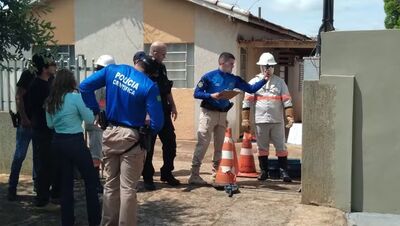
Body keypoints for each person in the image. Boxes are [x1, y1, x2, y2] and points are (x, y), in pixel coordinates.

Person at [79, 55, 164, 226]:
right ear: (150, 73)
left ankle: (108, 223)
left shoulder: (112, 70)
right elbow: (158, 122)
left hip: (110, 133)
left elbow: (84, 86)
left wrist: (96, 110)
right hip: (132, 137)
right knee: (127, 188)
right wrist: (149, 131)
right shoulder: (149, 86)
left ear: (136, 63)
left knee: (110, 184)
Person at [188, 52, 269, 185]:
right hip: (208, 113)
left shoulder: (234, 78)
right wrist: (211, 95)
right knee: (203, 143)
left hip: (222, 114)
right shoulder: (209, 77)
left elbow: (251, 88)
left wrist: (264, 79)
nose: (233, 66)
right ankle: (194, 174)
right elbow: (197, 93)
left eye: (233, 64)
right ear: (222, 63)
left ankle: (216, 174)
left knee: (220, 146)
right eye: (231, 64)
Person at [46, 69, 101, 226]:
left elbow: (50, 124)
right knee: (90, 180)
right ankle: (95, 220)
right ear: (71, 82)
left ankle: (67, 221)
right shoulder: (76, 98)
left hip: (58, 142)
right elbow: (89, 118)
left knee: (66, 184)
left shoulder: (50, 100)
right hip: (75, 142)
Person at [241, 52, 294, 182]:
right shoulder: (253, 82)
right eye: (265, 66)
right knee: (262, 147)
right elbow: (246, 102)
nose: (267, 69)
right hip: (260, 120)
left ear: (273, 67)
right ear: (260, 67)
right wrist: (245, 119)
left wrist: (289, 116)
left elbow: (287, 100)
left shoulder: (280, 83)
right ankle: (264, 171)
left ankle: (283, 172)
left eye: (270, 66)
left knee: (281, 147)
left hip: (277, 121)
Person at [141, 42, 180, 191]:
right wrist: (145, 114)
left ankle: (167, 172)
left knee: (170, 143)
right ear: (155, 52)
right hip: (149, 113)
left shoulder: (162, 67)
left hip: (163, 111)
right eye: (163, 53)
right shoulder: (144, 66)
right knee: (148, 148)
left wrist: (173, 106)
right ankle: (148, 177)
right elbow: (141, 92)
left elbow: (166, 88)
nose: (165, 56)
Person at [28, 53, 61, 207]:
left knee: (54, 163)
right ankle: (42, 196)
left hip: (52, 129)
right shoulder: (36, 85)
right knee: (43, 164)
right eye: (52, 64)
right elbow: (31, 106)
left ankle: (55, 194)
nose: (55, 67)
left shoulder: (51, 83)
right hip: (41, 129)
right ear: (45, 68)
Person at [7, 59, 38, 201]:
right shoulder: (28, 75)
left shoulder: (47, 77)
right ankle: (12, 188)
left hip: (39, 124)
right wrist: (24, 117)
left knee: (38, 158)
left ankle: (38, 188)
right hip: (26, 123)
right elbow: (19, 96)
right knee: (19, 155)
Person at [84, 54, 116, 193]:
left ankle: (97, 181)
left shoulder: (95, 80)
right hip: (97, 122)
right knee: (96, 154)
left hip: (97, 121)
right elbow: (98, 103)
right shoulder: (99, 83)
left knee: (98, 153)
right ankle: (95, 183)